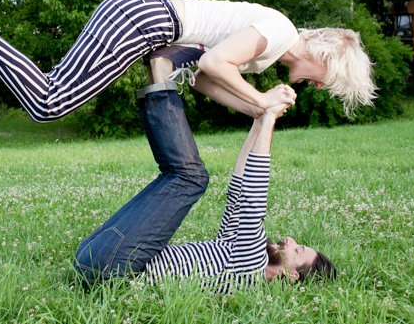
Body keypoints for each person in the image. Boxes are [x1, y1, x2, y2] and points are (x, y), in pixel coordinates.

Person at [0, 0, 376, 122]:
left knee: (49, 98)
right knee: (50, 104)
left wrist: (257, 106)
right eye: (327, 81)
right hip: (144, 21)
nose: (318, 87)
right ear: (327, 58)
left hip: (141, 20)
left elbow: (207, 83)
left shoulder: (268, 52)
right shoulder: (278, 31)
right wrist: (261, 98)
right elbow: (213, 66)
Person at [73, 78, 336, 291]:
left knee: (190, 177)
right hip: (98, 254)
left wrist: (270, 119)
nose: (291, 240)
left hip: (112, 267)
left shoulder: (251, 268)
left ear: (292, 276)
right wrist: (258, 121)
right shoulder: (234, 250)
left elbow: (253, 200)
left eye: (298, 250)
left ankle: (160, 79)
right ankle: (159, 80)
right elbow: (240, 188)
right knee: (190, 177)